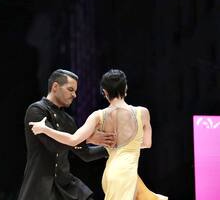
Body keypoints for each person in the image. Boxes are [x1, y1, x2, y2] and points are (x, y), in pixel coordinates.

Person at [29, 69, 168, 200]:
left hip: (112, 173)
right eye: (71, 89)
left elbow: (73, 140)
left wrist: (45, 129)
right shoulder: (143, 112)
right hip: (127, 173)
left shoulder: (98, 116)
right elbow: (147, 144)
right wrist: (122, 146)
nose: (74, 94)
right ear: (125, 89)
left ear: (105, 92)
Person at [17, 69, 116, 200]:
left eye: (75, 91)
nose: (74, 95)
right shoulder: (36, 111)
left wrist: (112, 148)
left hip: (66, 186)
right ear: (55, 87)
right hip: (40, 187)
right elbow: (54, 146)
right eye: (70, 89)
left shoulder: (68, 120)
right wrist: (85, 138)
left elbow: (85, 154)